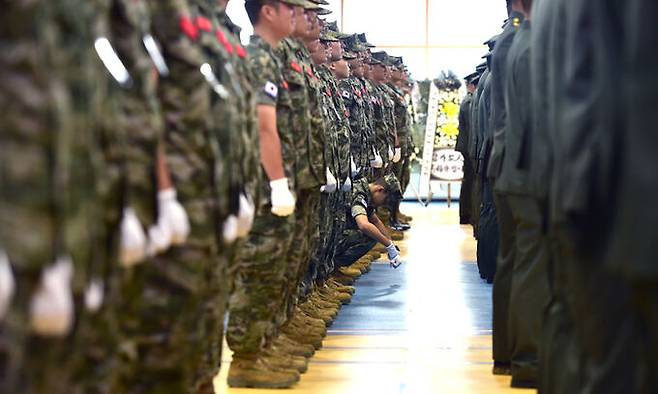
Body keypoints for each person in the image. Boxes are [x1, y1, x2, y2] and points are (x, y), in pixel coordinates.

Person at [334, 175, 404, 270]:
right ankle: (333, 268)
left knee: (375, 233)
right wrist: (388, 245)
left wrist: (391, 246)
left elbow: (375, 221)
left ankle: (333, 267)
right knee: (370, 236)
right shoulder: (359, 195)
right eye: (385, 199)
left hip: (333, 233)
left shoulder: (366, 192)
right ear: (380, 190)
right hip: (328, 237)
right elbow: (364, 226)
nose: (383, 204)